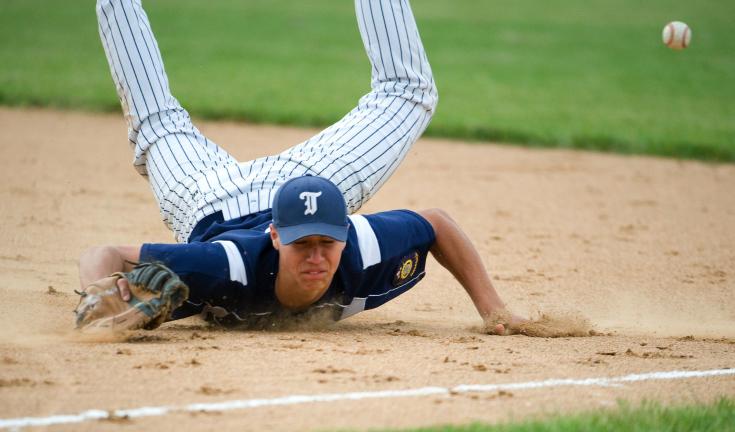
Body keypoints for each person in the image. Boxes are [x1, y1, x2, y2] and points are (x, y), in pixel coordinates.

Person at [83, 0, 525, 334]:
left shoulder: (360, 245)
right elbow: (106, 253)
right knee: (155, 119)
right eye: (302, 245)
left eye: (326, 243)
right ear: (276, 237)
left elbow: (434, 224)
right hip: (206, 197)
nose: (316, 257)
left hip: (298, 181)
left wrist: (495, 313)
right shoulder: (222, 264)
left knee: (408, 90)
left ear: (346, 230)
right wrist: (101, 295)